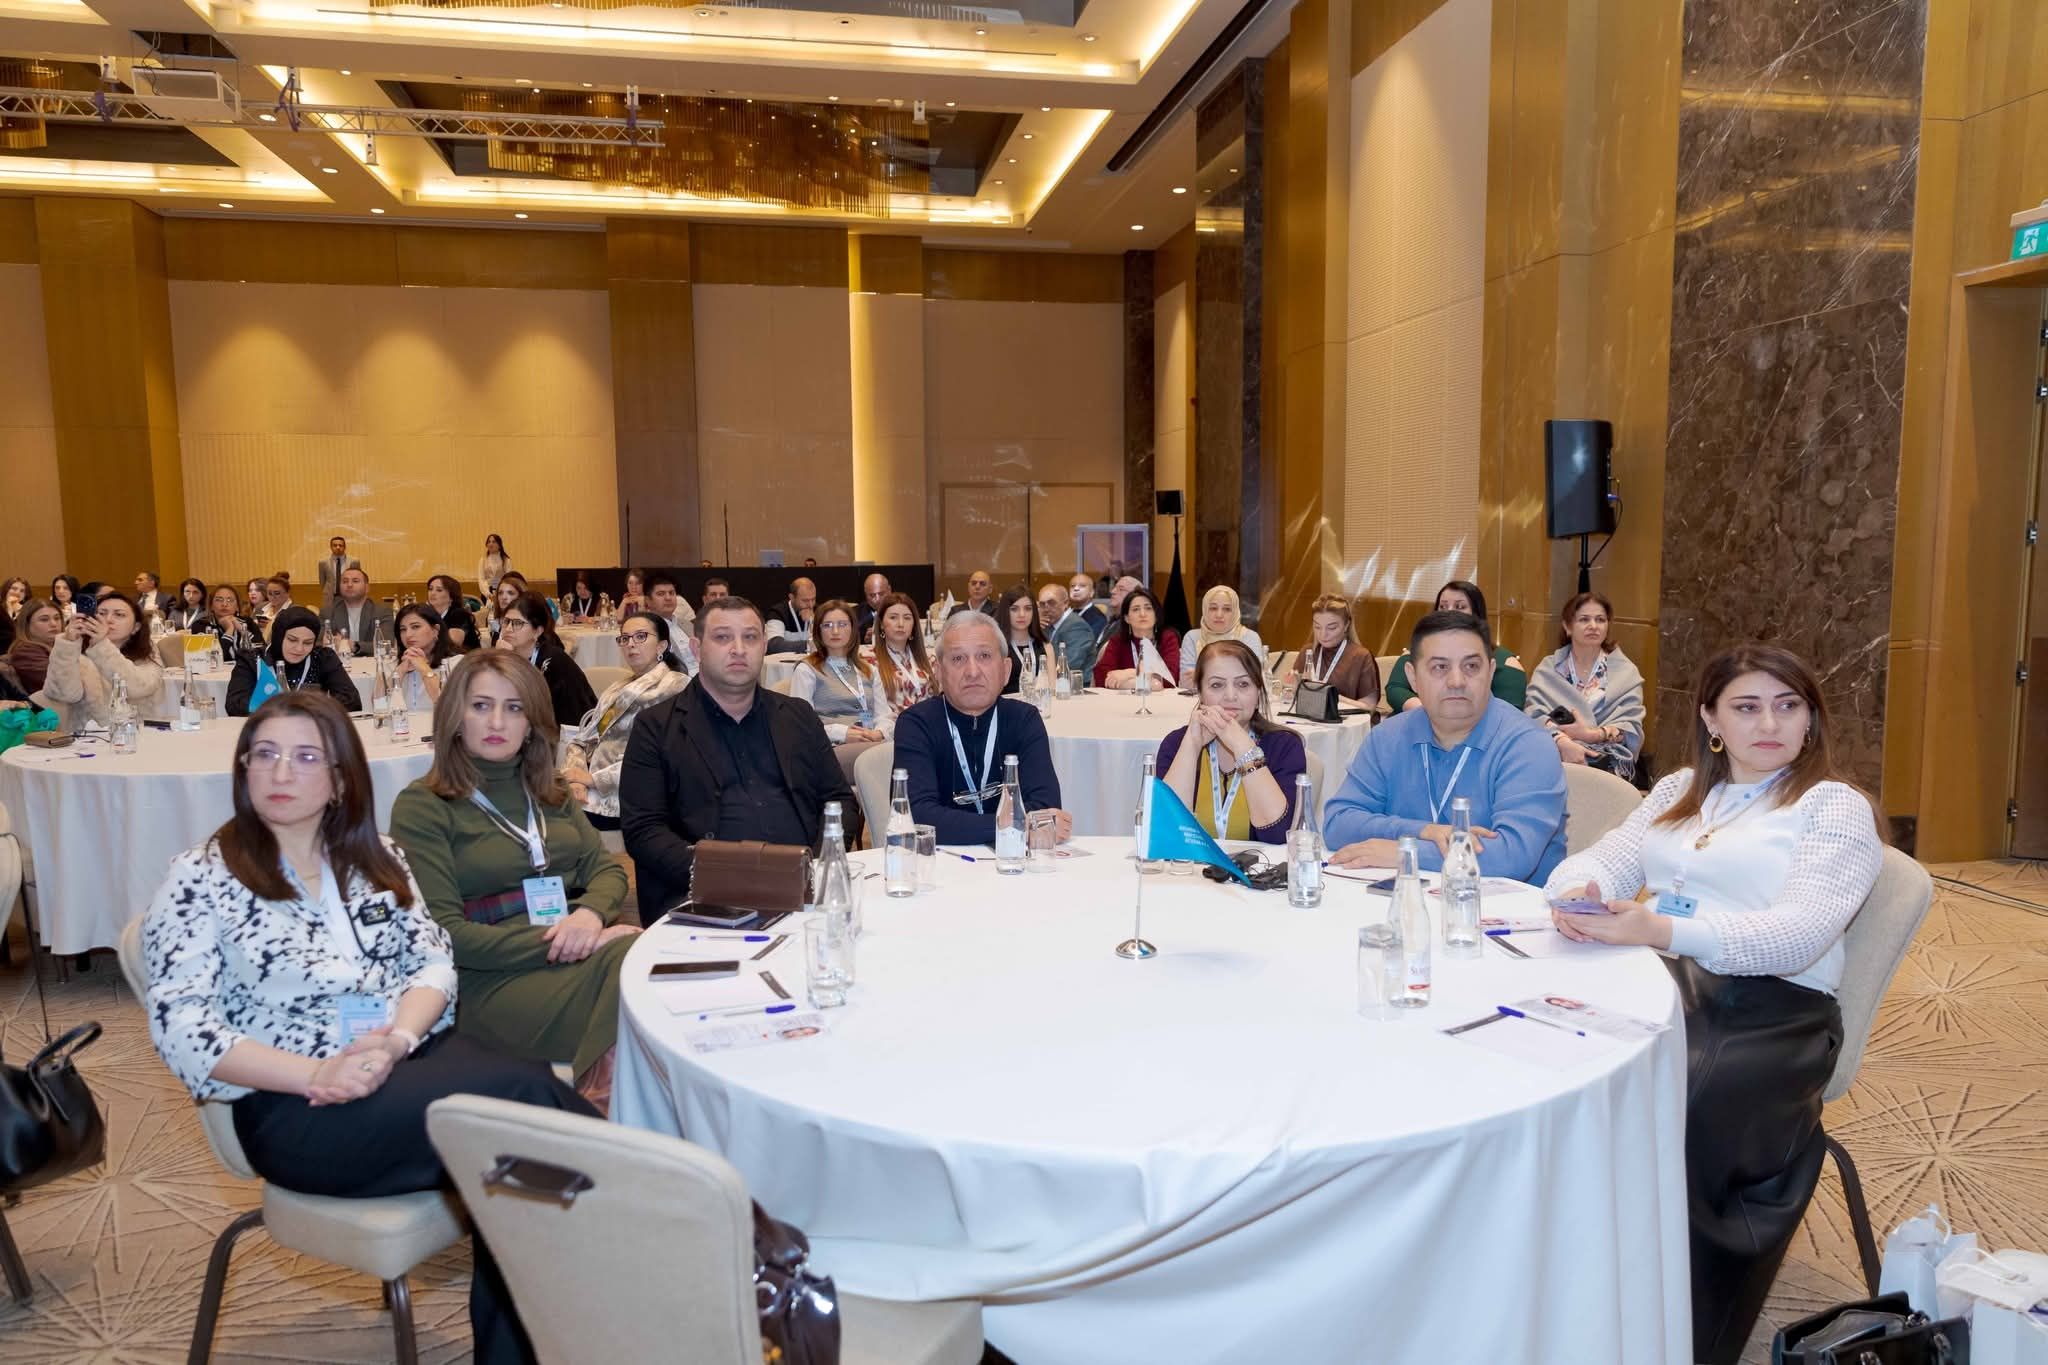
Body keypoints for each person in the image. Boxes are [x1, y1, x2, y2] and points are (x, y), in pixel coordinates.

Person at [140, 690, 589, 1365]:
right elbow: (181, 1025)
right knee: (526, 1108)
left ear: (339, 779)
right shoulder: (201, 877)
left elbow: (434, 961)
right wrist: (316, 1071)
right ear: (242, 772)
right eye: (264, 755)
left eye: (303, 756)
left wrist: (398, 1039)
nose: (281, 773)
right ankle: (689, 1240)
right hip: (301, 1105)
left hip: (409, 1059)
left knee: (523, 1160)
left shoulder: (375, 856)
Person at [1541, 643, 1883, 1364]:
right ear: (1711, 719)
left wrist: (1665, 927)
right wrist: (1577, 888)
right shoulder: (1679, 789)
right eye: (1747, 706)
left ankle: (1669, 1330)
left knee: (1669, 1100)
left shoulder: (1833, 806)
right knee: (1540, 1045)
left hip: (1776, 1012)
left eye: (1789, 706)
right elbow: (1606, 859)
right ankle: (1568, 1286)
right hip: (1662, 976)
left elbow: (1798, 935)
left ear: (1811, 720)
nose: (1771, 723)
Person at [389, 652, 637, 1111]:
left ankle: (604, 1128)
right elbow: (446, 937)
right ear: (455, 716)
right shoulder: (424, 805)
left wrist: (587, 916)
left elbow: (604, 871)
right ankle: (607, 1125)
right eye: (481, 705)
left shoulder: (551, 790)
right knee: (631, 967)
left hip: (570, 955)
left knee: (647, 971)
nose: (497, 720)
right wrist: (571, 942)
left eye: (515, 707)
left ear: (533, 722)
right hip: (487, 981)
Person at [618, 597, 857, 926]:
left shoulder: (797, 717)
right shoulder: (656, 727)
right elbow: (644, 830)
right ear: (697, 647)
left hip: (806, 893)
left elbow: (839, 800)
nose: (738, 648)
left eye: (750, 637)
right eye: (722, 637)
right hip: (705, 898)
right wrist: (721, 875)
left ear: (764, 645)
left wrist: (818, 863)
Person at [1324, 610, 1567, 881]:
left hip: (1505, 913)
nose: (1457, 681)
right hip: (1409, 904)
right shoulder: (1388, 737)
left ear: (1491, 672)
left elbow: (1511, 857)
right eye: (1440, 667)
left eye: (1471, 667)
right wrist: (1423, 831)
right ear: (1413, 677)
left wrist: (1405, 852)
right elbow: (1337, 824)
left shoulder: (1528, 745)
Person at [894, 611, 1070, 847]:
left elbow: (1045, 808)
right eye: (958, 659)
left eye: (984, 656)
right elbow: (917, 817)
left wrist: (972, 826)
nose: (973, 672)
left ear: (1006, 670)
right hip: (942, 865)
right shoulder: (917, 724)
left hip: (1014, 863)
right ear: (938, 671)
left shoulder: (1024, 720)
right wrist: (1008, 826)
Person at [1155, 641, 1308, 843]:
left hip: (1258, 871)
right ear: (1200, 693)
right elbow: (1167, 831)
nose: (1230, 695)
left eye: (1243, 684)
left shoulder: (1285, 746)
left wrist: (1243, 748)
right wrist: (1191, 746)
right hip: (1191, 869)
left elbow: (1278, 835)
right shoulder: (1176, 744)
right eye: (1216, 685)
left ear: (1258, 693)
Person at [559, 610, 690, 834]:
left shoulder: (676, 686)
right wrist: (576, 778)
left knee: (550, 816)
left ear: (661, 646)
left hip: (630, 793)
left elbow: (664, 757)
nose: (631, 644)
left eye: (640, 636)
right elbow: (583, 740)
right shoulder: (617, 687)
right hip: (588, 782)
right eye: (625, 638)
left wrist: (592, 779)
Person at [1524, 591, 1646, 780]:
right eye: (1584, 619)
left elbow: (1631, 726)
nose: (1593, 626)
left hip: (1606, 767)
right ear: (1567, 626)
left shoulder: (1626, 672)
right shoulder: (1548, 668)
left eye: (1600, 619)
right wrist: (1562, 742)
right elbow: (1533, 715)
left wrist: (1591, 735)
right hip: (1553, 761)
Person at [786, 600, 892, 782]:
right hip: (830, 748)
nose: (835, 631)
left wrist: (880, 732)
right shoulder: (807, 670)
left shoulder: (868, 669)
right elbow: (800, 725)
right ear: (818, 631)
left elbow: (884, 715)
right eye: (827, 625)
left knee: (902, 752)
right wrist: (842, 733)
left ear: (852, 629)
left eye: (842, 625)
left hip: (871, 741)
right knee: (890, 759)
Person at [1384, 580, 1527, 711]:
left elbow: (1508, 714)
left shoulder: (1507, 663)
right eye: (1443, 606)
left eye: (1459, 606)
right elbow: (1395, 689)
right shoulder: (1418, 651)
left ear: (1476, 613)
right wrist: (1429, 713)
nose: (1450, 612)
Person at [38, 590, 167, 729]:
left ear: (136, 627)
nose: (108, 620)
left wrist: (102, 646)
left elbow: (139, 687)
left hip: (138, 733)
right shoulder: (76, 653)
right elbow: (63, 695)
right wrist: (68, 643)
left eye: (119, 615)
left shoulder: (147, 652)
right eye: (101, 613)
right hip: (89, 739)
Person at [496, 591, 597, 739]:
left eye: (517, 623)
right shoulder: (510, 656)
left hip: (571, 737)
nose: (509, 629)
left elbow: (537, 709)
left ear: (537, 631)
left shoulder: (553, 661)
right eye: (506, 622)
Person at [227, 605, 361, 716]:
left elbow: (352, 700)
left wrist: (303, 708)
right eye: (292, 640)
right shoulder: (252, 660)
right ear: (279, 637)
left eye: (308, 643)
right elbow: (235, 704)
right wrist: (290, 707)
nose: (299, 649)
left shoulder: (322, 658)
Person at [1284, 593, 1382, 706]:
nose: (1323, 634)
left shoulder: (1361, 656)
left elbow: (1369, 706)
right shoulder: (1308, 652)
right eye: (1317, 627)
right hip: (1311, 718)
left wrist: (1331, 696)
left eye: (1331, 628)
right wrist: (1291, 689)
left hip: (1346, 721)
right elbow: (1295, 698)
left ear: (1346, 625)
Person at [1092, 587, 1181, 690]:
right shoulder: (1117, 641)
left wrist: (1128, 673)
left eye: (1148, 608)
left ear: (1156, 615)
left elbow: (1170, 678)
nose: (1142, 614)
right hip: (1123, 702)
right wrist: (1144, 681)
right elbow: (1101, 676)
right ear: (1127, 618)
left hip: (1160, 701)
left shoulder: (1167, 638)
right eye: (1136, 609)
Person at [1179, 585, 1266, 686]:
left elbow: (1253, 680)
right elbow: (1187, 682)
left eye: (1227, 609)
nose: (1219, 615)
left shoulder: (1250, 637)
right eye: (1213, 608)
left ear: (1235, 612)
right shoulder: (1192, 637)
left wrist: (1203, 676)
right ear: (1205, 609)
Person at [872, 591, 933, 717]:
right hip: (891, 730)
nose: (900, 624)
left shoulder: (929, 658)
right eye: (893, 617)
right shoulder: (869, 661)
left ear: (914, 625)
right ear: (882, 624)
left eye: (907, 618)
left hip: (928, 727)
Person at [393, 602, 460, 712]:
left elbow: (448, 706)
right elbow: (379, 704)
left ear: (435, 630)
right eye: (403, 629)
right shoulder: (396, 664)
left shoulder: (456, 663)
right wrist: (399, 671)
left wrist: (423, 668)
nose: (408, 635)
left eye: (415, 627)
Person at [322, 566, 396, 656]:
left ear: (367, 587)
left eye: (355, 581)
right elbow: (316, 643)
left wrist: (354, 646)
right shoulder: (327, 612)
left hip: (371, 664)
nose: (349, 585)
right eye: (345, 581)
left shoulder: (382, 611)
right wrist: (329, 644)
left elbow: (386, 644)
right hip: (339, 664)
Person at [1039, 581, 1100, 678]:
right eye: (1042, 604)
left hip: (1079, 687)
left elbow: (1068, 666)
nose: (1046, 609)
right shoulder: (1046, 625)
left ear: (1065, 603)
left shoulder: (1077, 626)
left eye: (1051, 603)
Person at [196, 584, 265, 667]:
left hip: (246, 671)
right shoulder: (201, 625)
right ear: (211, 606)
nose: (224, 604)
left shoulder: (247, 622)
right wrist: (229, 630)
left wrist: (241, 629)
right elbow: (212, 659)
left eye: (230, 600)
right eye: (219, 600)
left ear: (237, 607)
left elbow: (261, 652)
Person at [997, 589, 1049, 697]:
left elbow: (1052, 688)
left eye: (1028, 609)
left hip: (1040, 707)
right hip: (1007, 708)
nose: (1021, 614)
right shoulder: (996, 647)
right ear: (1005, 611)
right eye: (1014, 609)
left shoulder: (1046, 646)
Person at [644, 573, 697, 671]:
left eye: (672, 593)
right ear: (648, 600)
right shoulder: (647, 631)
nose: (668, 598)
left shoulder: (687, 624)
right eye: (661, 594)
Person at [7, 598, 61, 694]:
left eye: (57, 618)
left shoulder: (59, 645)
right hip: (49, 707)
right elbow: (61, 685)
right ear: (27, 625)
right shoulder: (25, 652)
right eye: (44, 619)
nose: (54, 624)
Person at [427, 574, 480, 652]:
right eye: (430, 589)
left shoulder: (459, 614)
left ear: (451, 597)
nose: (432, 593)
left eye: (439, 590)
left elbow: (455, 642)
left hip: (468, 660)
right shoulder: (427, 614)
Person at [317, 536, 361, 609]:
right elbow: (322, 581)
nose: (338, 547)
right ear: (331, 547)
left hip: (349, 596)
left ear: (345, 547)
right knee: (330, 618)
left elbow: (357, 580)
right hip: (330, 597)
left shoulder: (354, 561)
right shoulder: (323, 562)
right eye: (335, 545)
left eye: (340, 545)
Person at [1069, 572, 1110, 638]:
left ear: (1092, 592)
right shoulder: (1064, 613)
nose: (1076, 589)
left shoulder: (1098, 618)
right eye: (1072, 586)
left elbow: (1087, 643)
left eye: (1082, 586)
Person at [856, 572, 891, 643]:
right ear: (866, 595)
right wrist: (865, 641)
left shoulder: (902, 611)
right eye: (872, 595)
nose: (877, 599)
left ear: (889, 590)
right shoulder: (854, 614)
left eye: (881, 594)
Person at [477, 533, 512, 602]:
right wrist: (487, 593)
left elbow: (509, 579)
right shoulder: (482, 560)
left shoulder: (506, 560)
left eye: (494, 542)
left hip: (502, 592)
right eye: (489, 542)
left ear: (499, 545)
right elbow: (481, 579)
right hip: (487, 593)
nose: (491, 544)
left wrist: (500, 591)